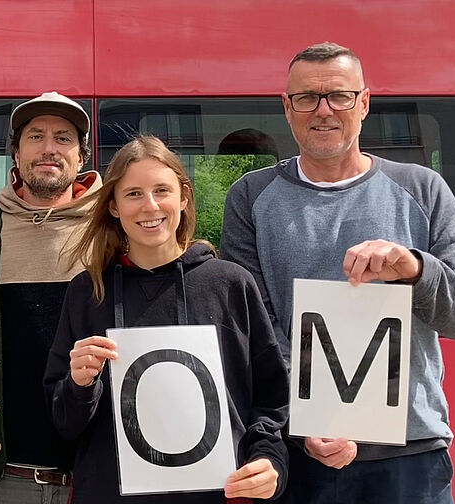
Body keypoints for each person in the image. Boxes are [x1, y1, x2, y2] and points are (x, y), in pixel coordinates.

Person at [221, 42, 455, 504]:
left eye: (340, 96)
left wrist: (416, 269)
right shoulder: (251, 197)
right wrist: (311, 418)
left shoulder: (422, 189)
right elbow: (254, 331)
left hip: (410, 453)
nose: (323, 111)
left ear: (364, 103)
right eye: (308, 97)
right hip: (296, 452)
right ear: (287, 108)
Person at [43, 136, 288, 503]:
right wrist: (80, 384)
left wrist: (271, 462)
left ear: (183, 198)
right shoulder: (88, 291)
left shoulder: (231, 285)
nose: (151, 206)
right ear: (112, 206)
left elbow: (271, 401)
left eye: (162, 190)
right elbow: (65, 423)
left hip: (219, 493)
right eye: (134, 194)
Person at [0, 91, 101, 503]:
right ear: (16, 152)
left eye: (64, 138)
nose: (49, 148)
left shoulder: (112, 233)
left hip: (92, 481)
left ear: (82, 157)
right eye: (36, 136)